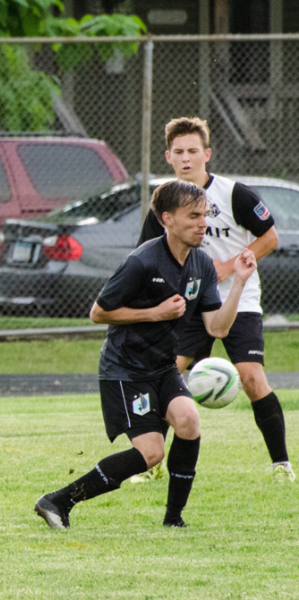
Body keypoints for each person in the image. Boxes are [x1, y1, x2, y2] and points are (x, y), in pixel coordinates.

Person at [34, 180, 257, 529]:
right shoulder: (142, 261)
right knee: (151, 453)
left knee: (188, 421)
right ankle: (58, 501)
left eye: (205, 215)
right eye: (194, 216)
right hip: (125, 369)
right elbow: (98, 313)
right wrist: (155, 313)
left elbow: (217, 328)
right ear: (168, 219)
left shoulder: (201, 264)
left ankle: (174, 520)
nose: (203, 223)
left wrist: (240, 282)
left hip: (163, 366)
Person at [131, 117, 293, 484]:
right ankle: (151, 463)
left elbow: (269, 238)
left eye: (193, 151)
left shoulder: (234, 193)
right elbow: (146, 254)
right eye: (179, 152)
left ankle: (281, 465)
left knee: (251, 377)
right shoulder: (164, 204)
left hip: (238, 298)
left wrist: (229, 266)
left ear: (207, 154)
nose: (186, 159)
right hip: (187, 304)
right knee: (166, 374)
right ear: (168, 157)